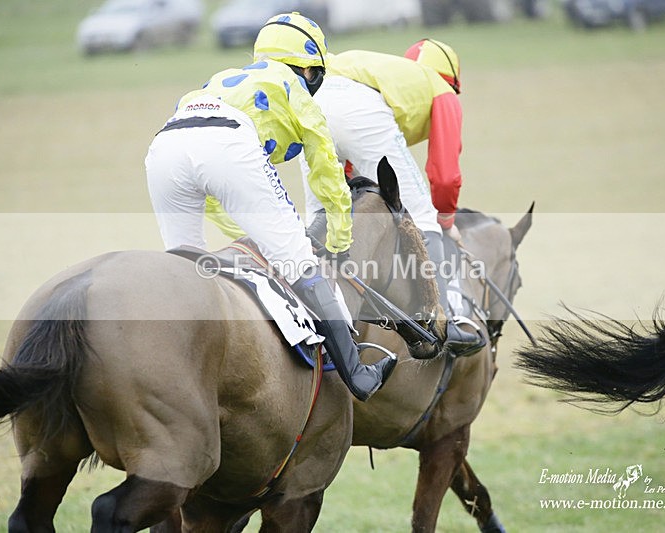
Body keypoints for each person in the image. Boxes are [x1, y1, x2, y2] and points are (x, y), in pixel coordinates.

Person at [144, 12, 396, 401]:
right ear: (310, 69)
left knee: (184, 268)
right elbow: (326, 168)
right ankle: (359, 376)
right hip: (228, 143)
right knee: (300, 263)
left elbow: (212, 192)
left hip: (164, 145)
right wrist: (340, 238)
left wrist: (245, 234)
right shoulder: (292, 85)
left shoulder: (221, 79)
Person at [300, 40, 484, 357]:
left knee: (320, 216)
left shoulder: (386, 77)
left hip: (310, 103)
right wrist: (446, 220)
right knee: (423, 214)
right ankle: (440, 322)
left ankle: (308, 316)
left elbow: (346, 171)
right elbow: (444, 174)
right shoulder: (441, 89)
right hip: (358, 110)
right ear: (452, 80)